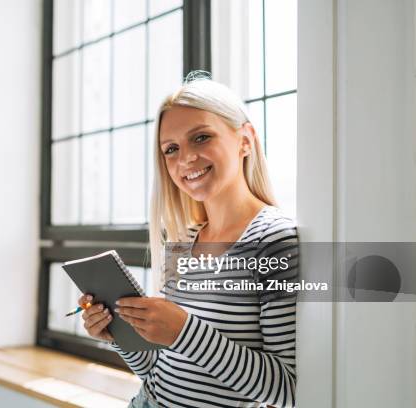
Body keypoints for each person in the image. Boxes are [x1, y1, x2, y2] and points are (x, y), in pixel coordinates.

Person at [78, 73, 298, 408]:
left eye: (201, 137)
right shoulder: (182, 243)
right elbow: (158, 374)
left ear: (246, 140)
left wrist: (184, 332)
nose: (185, 160)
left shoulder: (273, 240)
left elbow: (289, 390)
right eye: (171, 149)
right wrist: (119, 334)